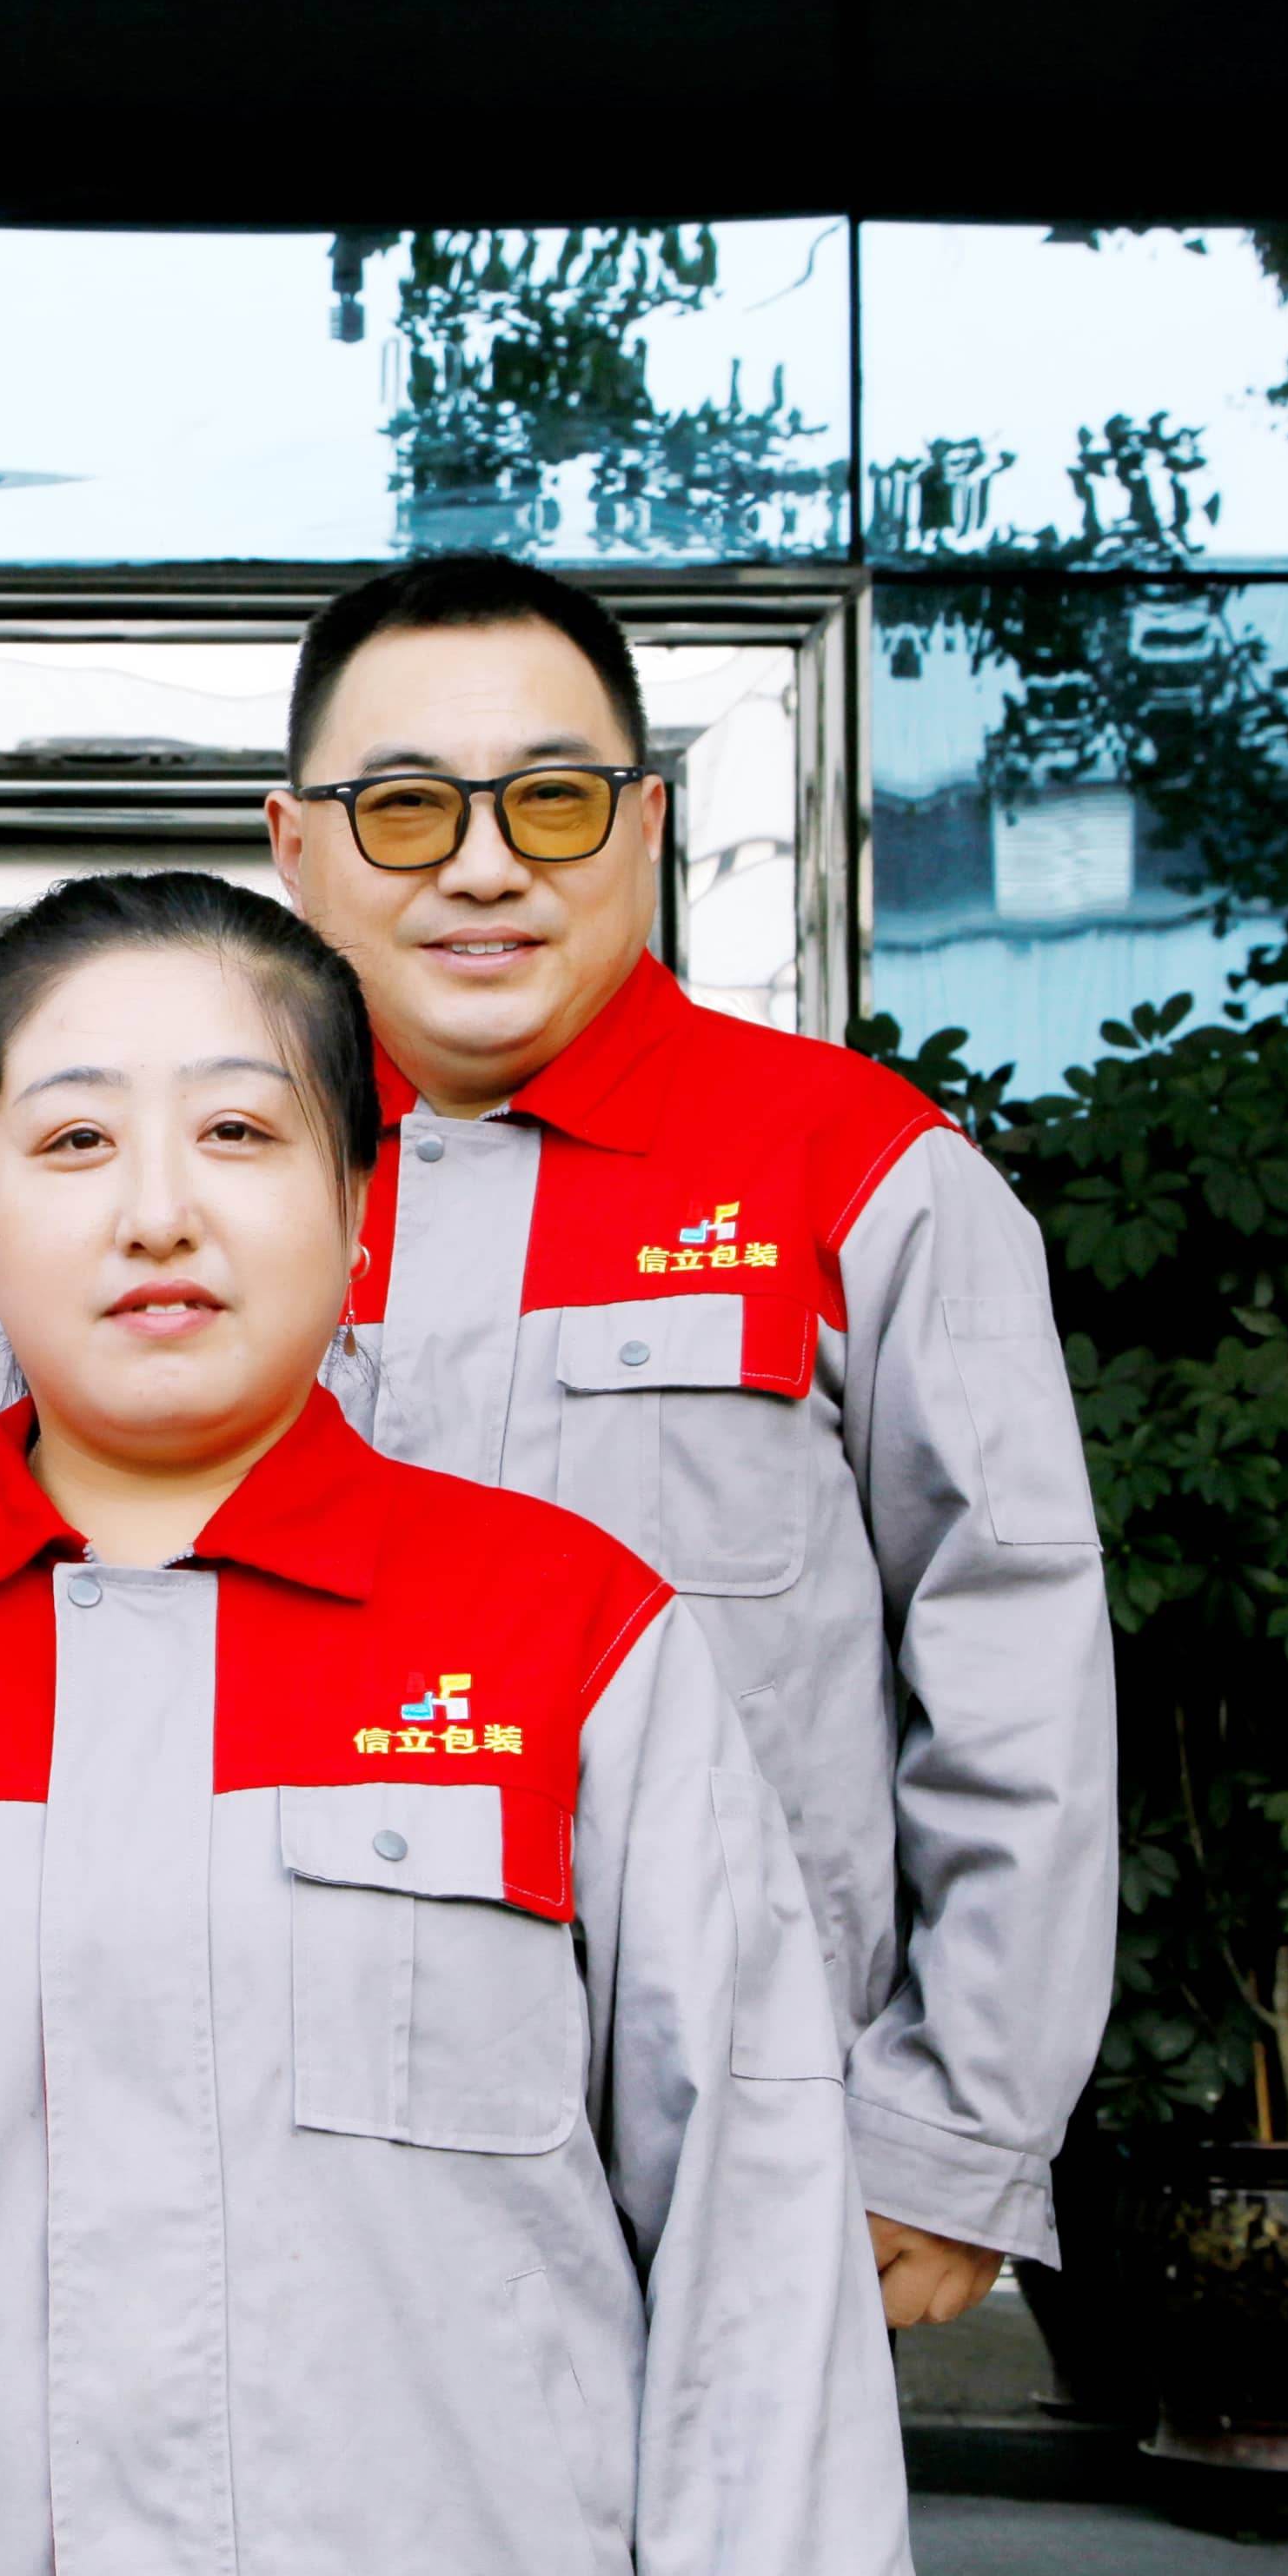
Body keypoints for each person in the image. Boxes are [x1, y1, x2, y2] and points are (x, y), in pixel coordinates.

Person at [0, 872, 916, 2576]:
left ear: (362, 1208)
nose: (159, 1212)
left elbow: (758, 2275)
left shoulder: (569, 1634)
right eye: (75, 1141)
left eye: (240, 1132)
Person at [263, 554, 1114, 2326]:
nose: (483, 866)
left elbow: (1016, 1674)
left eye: (553, 801)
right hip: (283, 2148)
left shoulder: (861, 1173)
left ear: (646, 825)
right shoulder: (197, 1198)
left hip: (741, 2159)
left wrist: (956, 2133)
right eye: (405, 808)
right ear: (295, 846)